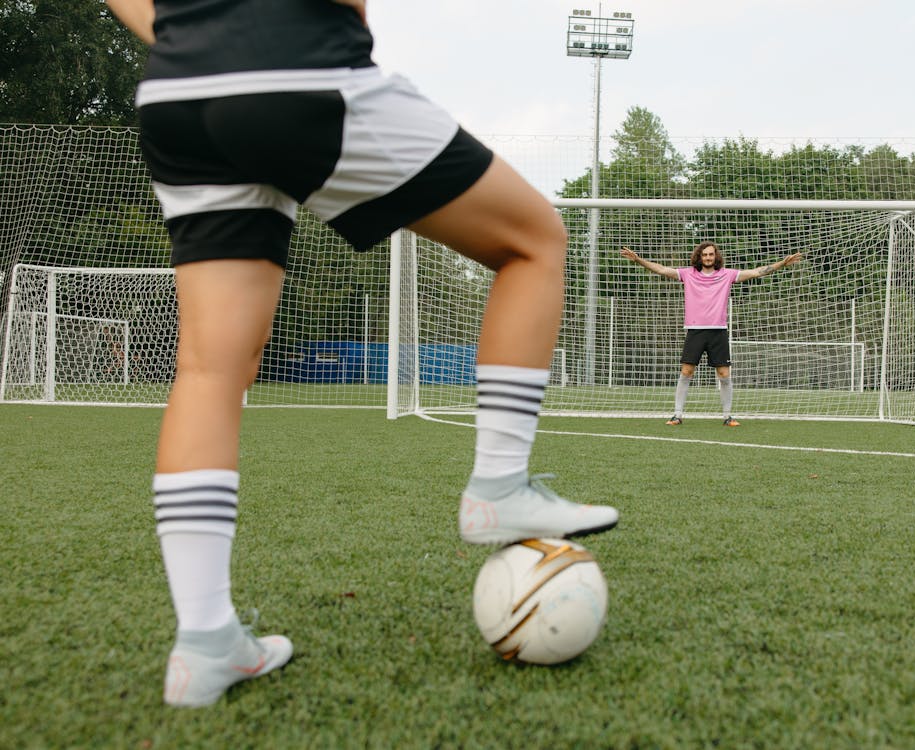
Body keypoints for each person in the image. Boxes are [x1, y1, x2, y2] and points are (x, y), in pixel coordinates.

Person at [106, 0, 618, 708]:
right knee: (533, 240)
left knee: (208, 369)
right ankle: (498, 488)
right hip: (293, 60)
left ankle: (204, 644)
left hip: (177, 90)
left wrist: (184, 35)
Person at [620, 242, 802, 426]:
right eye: (704, 255)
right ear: (699, 257)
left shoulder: (727, 275)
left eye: (711, 255)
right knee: (686, 371)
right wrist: (638, 260)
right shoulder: (688, 274)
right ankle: (677, 414)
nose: (708, 257)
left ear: (716, 257)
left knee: (724, 374)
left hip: (718, 331)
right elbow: (661, 270)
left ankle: (727, 416)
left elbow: (757, 272)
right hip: (695, 330)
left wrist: (781, 264)